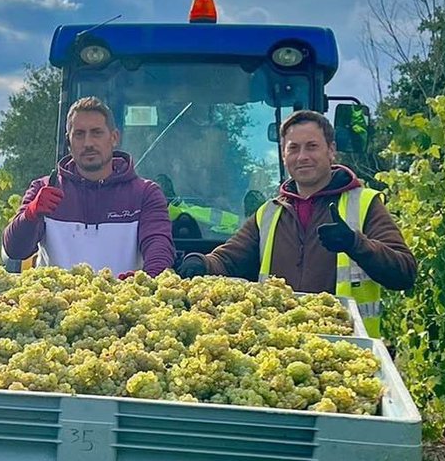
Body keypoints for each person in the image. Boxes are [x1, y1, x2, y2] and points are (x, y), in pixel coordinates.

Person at [176, 110, 415, 334]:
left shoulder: (364, 203)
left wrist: (355, 243)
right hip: (281, 349)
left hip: (347, 349)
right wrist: (201, 262)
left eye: (312, 147)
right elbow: (228, 260)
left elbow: (404, 272)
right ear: (283, 155)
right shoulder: (269, 213)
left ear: (331, 150)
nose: (303, 157)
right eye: (294, 148)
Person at [2, 97, 175, 277]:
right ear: (68, 142)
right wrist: (30, 215)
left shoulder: (145, 193)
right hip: (55, 304)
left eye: (96, 132)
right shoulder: (44, 188)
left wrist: (145, 282)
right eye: (79, 134)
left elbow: (159, 247)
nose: (88, 143)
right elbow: (15, 251)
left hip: (124, 303)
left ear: (114, 138)